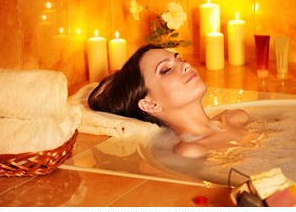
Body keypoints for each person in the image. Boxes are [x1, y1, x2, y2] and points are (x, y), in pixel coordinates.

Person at [88, 44, 254, 158]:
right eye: (166, 70)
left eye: (180, 59)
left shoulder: (236, 117)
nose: (186, 66)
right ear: (149, 104)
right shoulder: (191, 150)